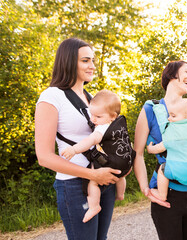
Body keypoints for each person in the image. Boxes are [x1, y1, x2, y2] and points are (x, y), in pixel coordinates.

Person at [35, 38, 120, 240]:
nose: (92, 65)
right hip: (74, 184)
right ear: (68, 61)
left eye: (92, 60)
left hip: (102, 182)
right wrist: (92, 175)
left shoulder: (91, 98)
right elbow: (44, 157)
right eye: (85, 60)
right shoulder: (51, 96)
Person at [133, 60, 187, 240]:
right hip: (168, 195)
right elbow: (138, 153)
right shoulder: (151, 108)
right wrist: (145, 188)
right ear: (172, 74)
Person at [61, 89, 132, 223]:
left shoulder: (102, 128)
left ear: (113, 116)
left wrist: (74, 150)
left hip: (111, 162)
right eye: (92, 115)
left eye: (98, 117)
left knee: (92, 182)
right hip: (125, 162)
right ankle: (121, 194)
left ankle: (94, 206)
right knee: (120, 176)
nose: (93, 119)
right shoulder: (119, 124)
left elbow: (90, 140)